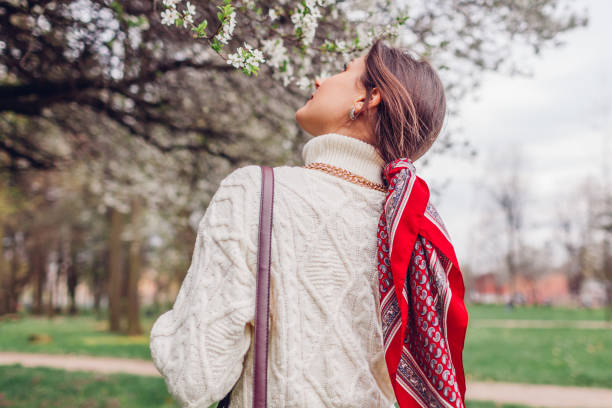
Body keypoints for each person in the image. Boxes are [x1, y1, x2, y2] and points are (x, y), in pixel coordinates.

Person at [149, 38, 469, 408]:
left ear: (369, 98)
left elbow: (197, 379)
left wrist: (169, 331)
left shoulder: (254, 193)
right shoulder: (413, 233)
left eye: (344, 70)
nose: (319, 80)